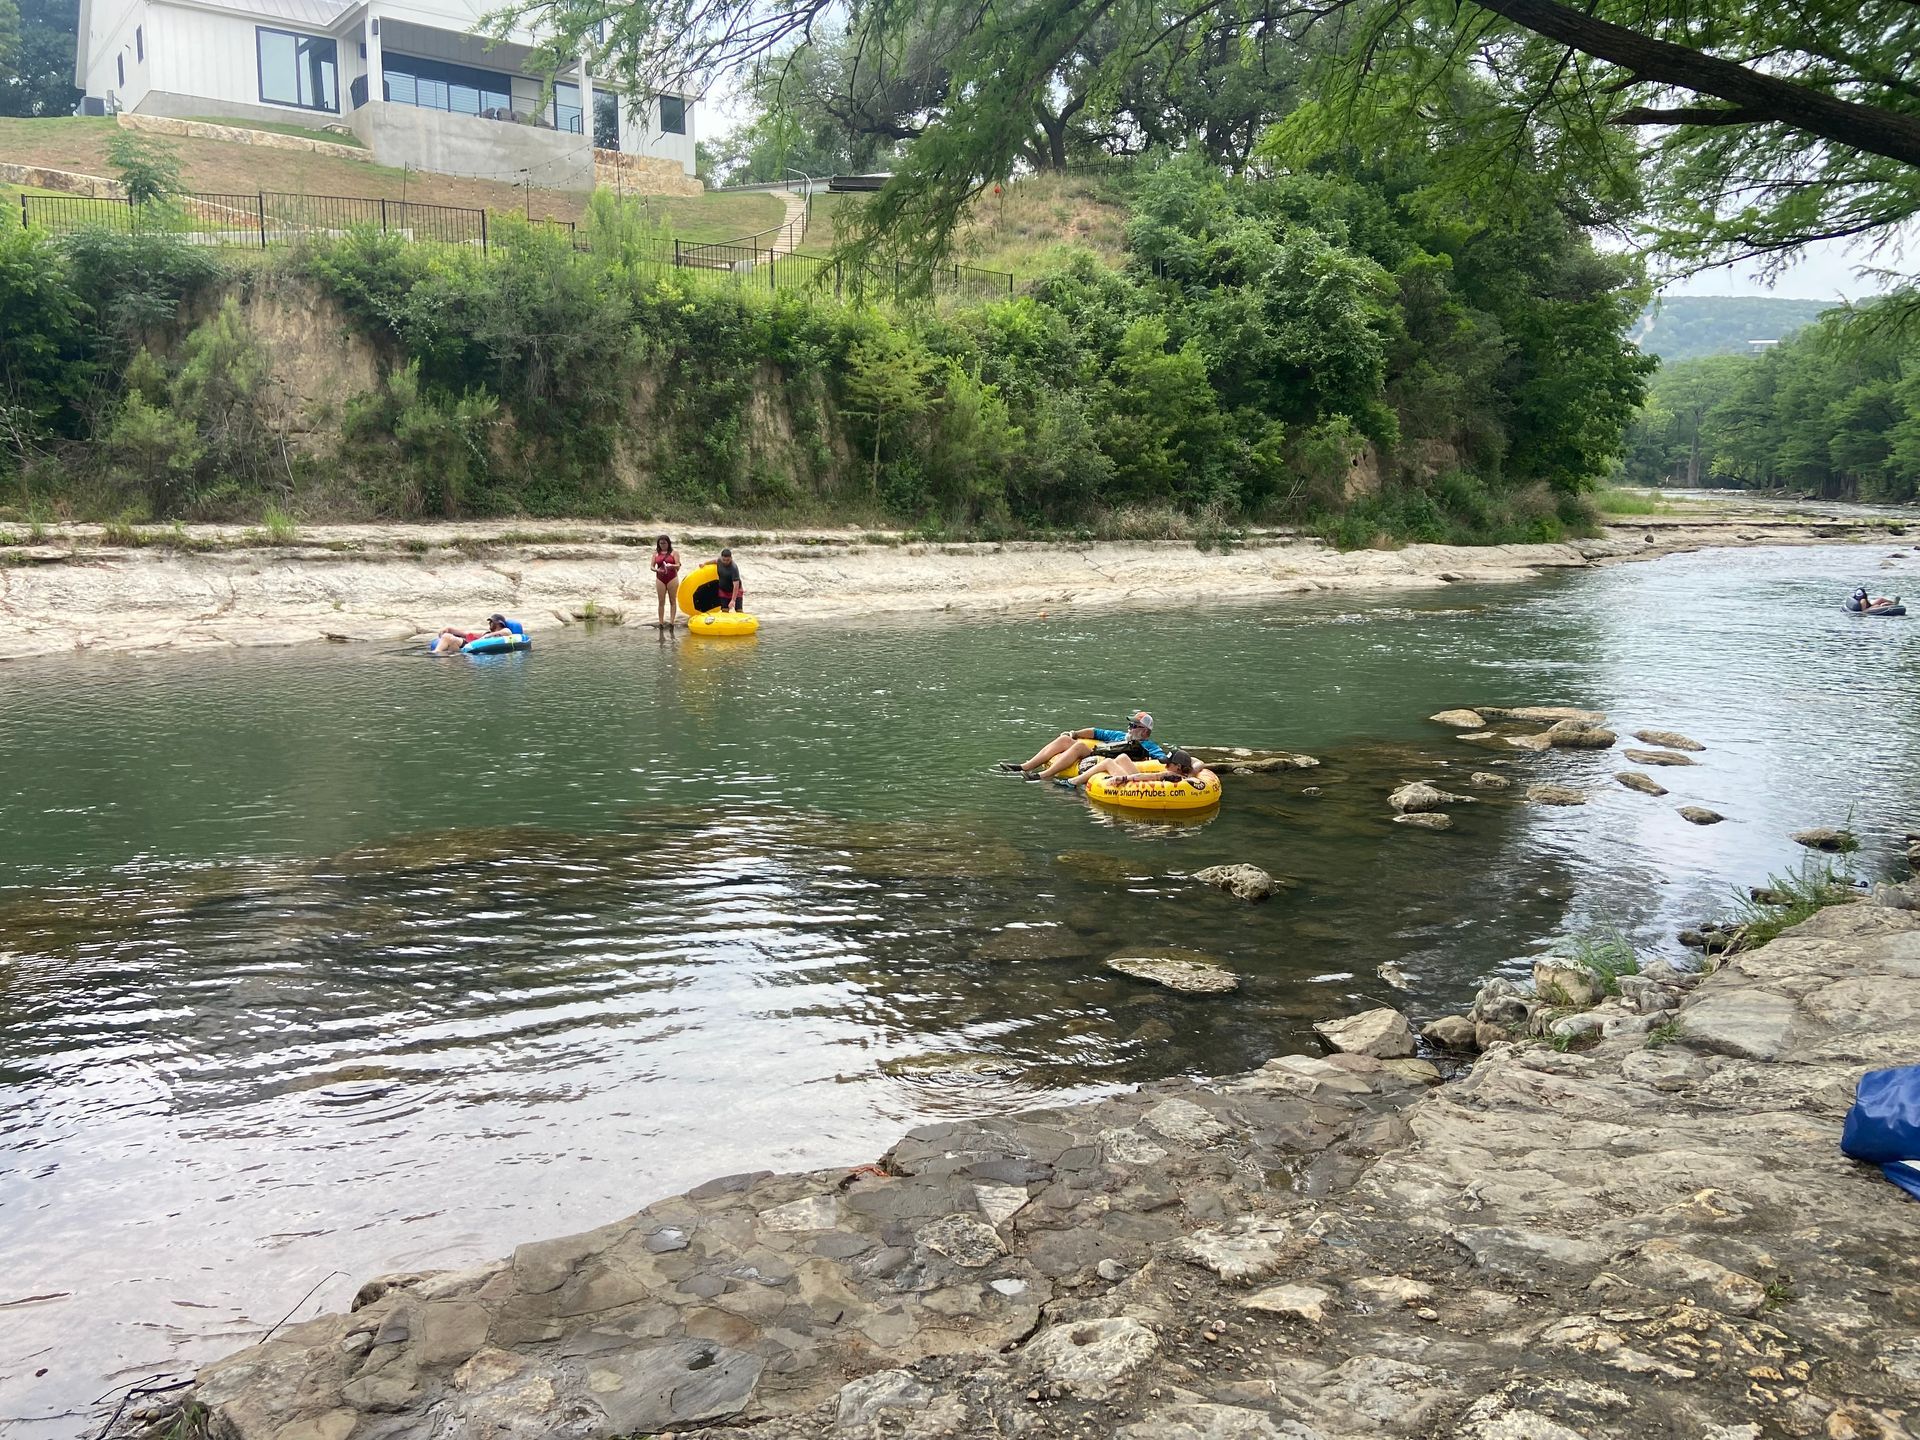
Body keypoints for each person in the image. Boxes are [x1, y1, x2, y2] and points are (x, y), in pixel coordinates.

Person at [999, 711, 1165, 782]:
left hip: (1105, 761)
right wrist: (1073, 734)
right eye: (1130, 725)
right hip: (1097, 753)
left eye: (1135, 726)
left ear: (1145, 732)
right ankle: (1025, 766)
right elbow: (1095, 732)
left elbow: (1161, 760)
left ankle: (1043, 776)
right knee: (1064, 740)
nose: (1130, 728)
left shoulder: (1149, 745)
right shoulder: (1119, 736)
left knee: (1078, 748)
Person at [1061, 747, 1217, 793]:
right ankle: (1075, 781)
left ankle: (1073, 782)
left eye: (1168, 763)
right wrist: (1190, 768)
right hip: (1182, 772)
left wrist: (1124, 779)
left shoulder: (1172, 775)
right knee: (1122, 758)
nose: (1165, 765)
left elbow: (1152, 777)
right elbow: (1199, 762)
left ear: (1176, 766)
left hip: (1135, 786)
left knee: (1108, 762)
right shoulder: (1187, 773)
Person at [431, 613, 510, 655]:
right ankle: (438, 653)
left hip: (472, 647)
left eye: (491, 622)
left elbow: (507, 632)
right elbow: (466, 634)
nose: (489, 623)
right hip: (470, 646)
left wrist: (488, 635)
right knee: (448, 637)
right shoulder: (485, 633)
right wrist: (449, 629)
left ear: (498, 623)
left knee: (447, 637)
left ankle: (435, 654)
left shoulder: (504, 631)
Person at [652, 534, 681, 628]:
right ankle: (661, 622)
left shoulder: (674, 553)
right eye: (661, 543)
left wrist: (672, 566)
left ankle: (672, 622)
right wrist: (656, 570)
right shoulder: (655, 553)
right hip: (660, 577)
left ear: (668, 543)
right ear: (658, 544)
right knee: (661, 601)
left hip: (672, 577)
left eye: (664, 543)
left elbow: (678, 565)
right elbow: (652, 566)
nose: (663, 545)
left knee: (672, 600)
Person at [713, 548, 745, 613]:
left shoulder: (734, 568)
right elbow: (714, 561)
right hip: (723, 591)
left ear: (731, 558)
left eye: (727, 560)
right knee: (724, 610)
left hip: (736, 592)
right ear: (721, 557)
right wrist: (704, 564)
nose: (725, 562)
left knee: (739, 611)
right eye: (724, 560)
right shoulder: (719, 561)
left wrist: (733, 600)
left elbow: (736, 585)